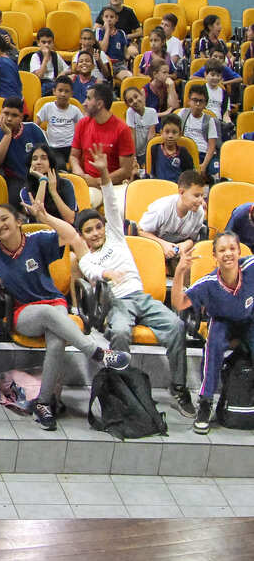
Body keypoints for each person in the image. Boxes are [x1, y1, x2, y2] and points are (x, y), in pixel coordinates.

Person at [0, 201, 126, 431]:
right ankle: (96, 353)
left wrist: (45, 217)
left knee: (56, 343)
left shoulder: (36, 239)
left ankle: (44, 403)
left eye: (4, 219)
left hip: (55, 303)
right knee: (47, 314)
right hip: (22, 312)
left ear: (19, 221)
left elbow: (71, 235)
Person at [75, 168, 192, 418]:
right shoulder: (86, 259)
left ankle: (179, 388)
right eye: (88, 230)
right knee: (119, 333)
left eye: (98, 227)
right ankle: (122, 390)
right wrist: (107, 273)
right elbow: (92, 273)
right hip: (116, 302)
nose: (95, 233)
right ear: (82, 236)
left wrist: (104, 174)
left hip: (140, 297)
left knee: (176, 325)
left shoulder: (116, 237)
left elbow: (110, 202)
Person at [174, 231, 254, 435]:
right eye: (222, 250)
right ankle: (205, 402)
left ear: (239, 252)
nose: (228, 253)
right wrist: (180, 271)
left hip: (249, 321)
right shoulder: (208, 283)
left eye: (232, 249)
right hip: (222, 323)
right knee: (214, 343)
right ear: (215, 256)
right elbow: (179, 303)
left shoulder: (251, 267)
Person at [136, 168, 209, 271]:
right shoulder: (162, 208)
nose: (201, 200)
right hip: (153, 251)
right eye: (196, 196)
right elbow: (139, 231)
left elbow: (194, 239)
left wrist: (186, 244)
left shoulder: (199, 212)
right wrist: (162, 244)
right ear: (181, 192)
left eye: (202, 196)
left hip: (179, 254)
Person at [71, 83, 136, 193]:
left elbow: (126, 170)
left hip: (113, 185)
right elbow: (73, 156)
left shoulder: (122, 129)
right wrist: (80, 176)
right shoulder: (82, 124)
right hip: (88, 184)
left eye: (88, 98)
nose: (84, 103)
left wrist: (98, 181)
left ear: (99, 104)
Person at [0, 96, 49, 204]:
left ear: (21, 117)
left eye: (14, 115)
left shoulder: (33, 128)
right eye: (6, 113)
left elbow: (48, 155)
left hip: (37, 175)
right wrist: (7, 135)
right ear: (0, 113)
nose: (9, 118)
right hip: (14, 180)